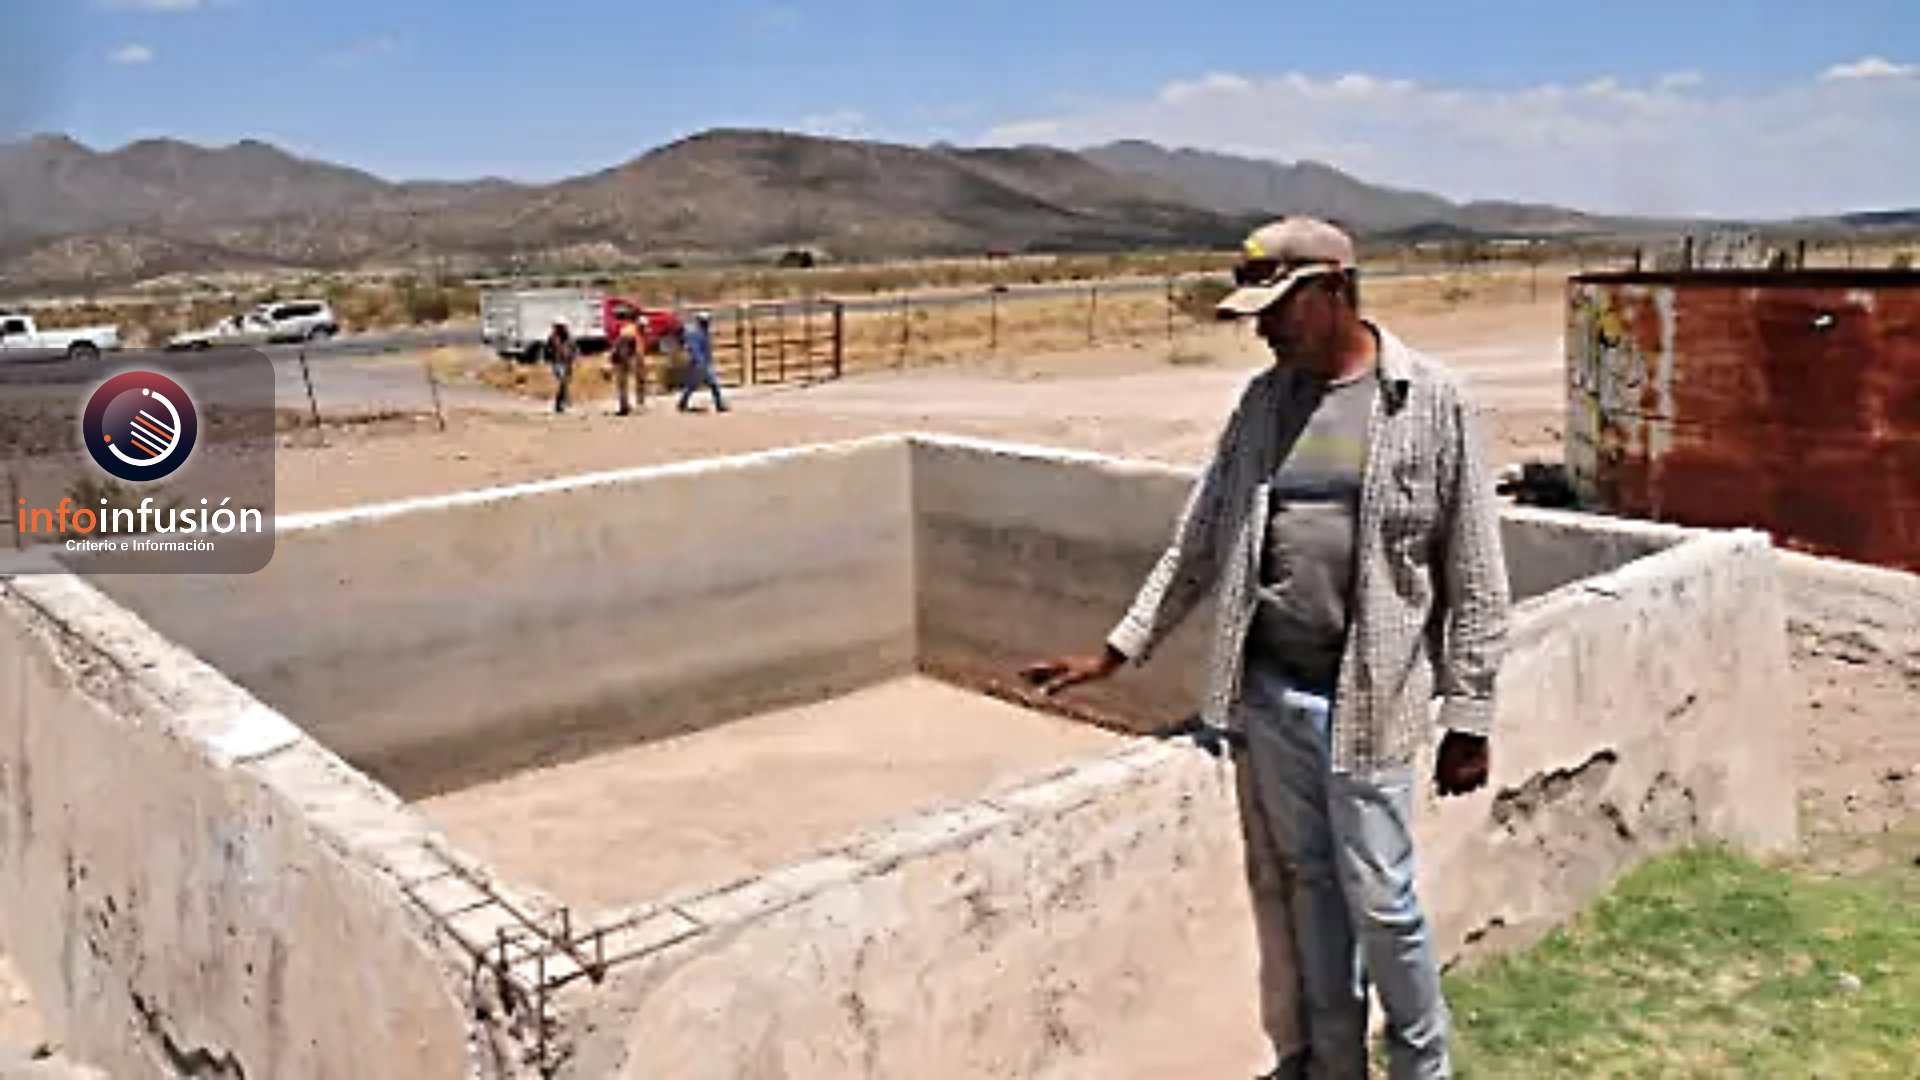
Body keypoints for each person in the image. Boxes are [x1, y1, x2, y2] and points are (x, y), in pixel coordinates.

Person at [1021, 217, 1510, 1080]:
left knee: (1384, 901)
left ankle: (1420, 1068)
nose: (1264, 327)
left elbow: (1474, 571)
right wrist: (1113, 653)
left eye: (1279, 307)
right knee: (1312, 887)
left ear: (1334, 292)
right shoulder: (1263, 405)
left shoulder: (1431, 403)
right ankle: (1332, 1063)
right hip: (1274, 697)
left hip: (1377, 700)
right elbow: (1201, 541)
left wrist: (1469, 713)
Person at [677, 310, 729, 413]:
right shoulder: (695, 333)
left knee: (693, 385)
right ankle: (719, 405)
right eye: (705, 321)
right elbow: (693, 349)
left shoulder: (702, 333)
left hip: (702, 363)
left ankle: (683, 403)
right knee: (711, 384)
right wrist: (701, 362)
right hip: (700, 364)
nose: (707, 323)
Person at [609, 318, 644, 415]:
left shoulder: (630, 332)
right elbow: (626, 352)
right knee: (622, 385)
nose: (644, 329)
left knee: (623, 385)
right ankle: (624, 408)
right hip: (621, 362)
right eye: (643, 327)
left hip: (621, 361)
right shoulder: (630, 334)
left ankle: (625, 406)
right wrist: (630, 363)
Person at [546, 317, 578, 414]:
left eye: (561, 326)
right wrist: (552, 357)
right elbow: (548, 350)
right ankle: (564, 402)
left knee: (565, 383)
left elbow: (575, 349)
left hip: (567, 363)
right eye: (558, 326)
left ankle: (560, 404)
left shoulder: (570, 337)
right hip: (557, 363)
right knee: (563, 381)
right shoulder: (552, 338)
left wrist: (573, 358)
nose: (560, 328)